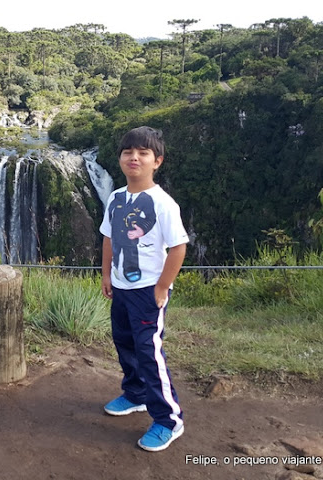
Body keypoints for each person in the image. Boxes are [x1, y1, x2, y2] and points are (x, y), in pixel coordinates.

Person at [100, 126, 189, 452]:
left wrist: (162, 288)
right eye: (128, 152)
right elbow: (108, 236)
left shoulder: (163, 203)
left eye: (143, 153)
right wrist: (106, 274)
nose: (133, 157)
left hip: (148, 292)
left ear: (157, 161)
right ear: (121, 159)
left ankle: (169, 419)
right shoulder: (116, 197)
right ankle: (135, 394)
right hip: (121, 287)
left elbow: (178, 248)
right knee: (124, 342)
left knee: (150, 354)